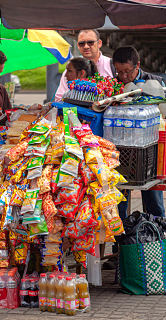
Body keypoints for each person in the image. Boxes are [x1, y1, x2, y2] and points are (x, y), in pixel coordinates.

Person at [113, 45, 165, 219]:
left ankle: (158, 237)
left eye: (128, 71)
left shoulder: (155, 82)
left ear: (138, 65)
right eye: (119, 72)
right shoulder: (113, 85)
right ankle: (121, 242)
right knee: (119, 201)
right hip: (122, 152)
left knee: (154, 202)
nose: (124, 76)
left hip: (150, 151)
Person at [55, 29, 114, 101]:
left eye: (90, 42)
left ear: (99, 43)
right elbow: (59, 99)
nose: (86, 46)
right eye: (82, 43)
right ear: (78, 46)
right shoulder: (70, 70)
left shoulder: (112, 65)